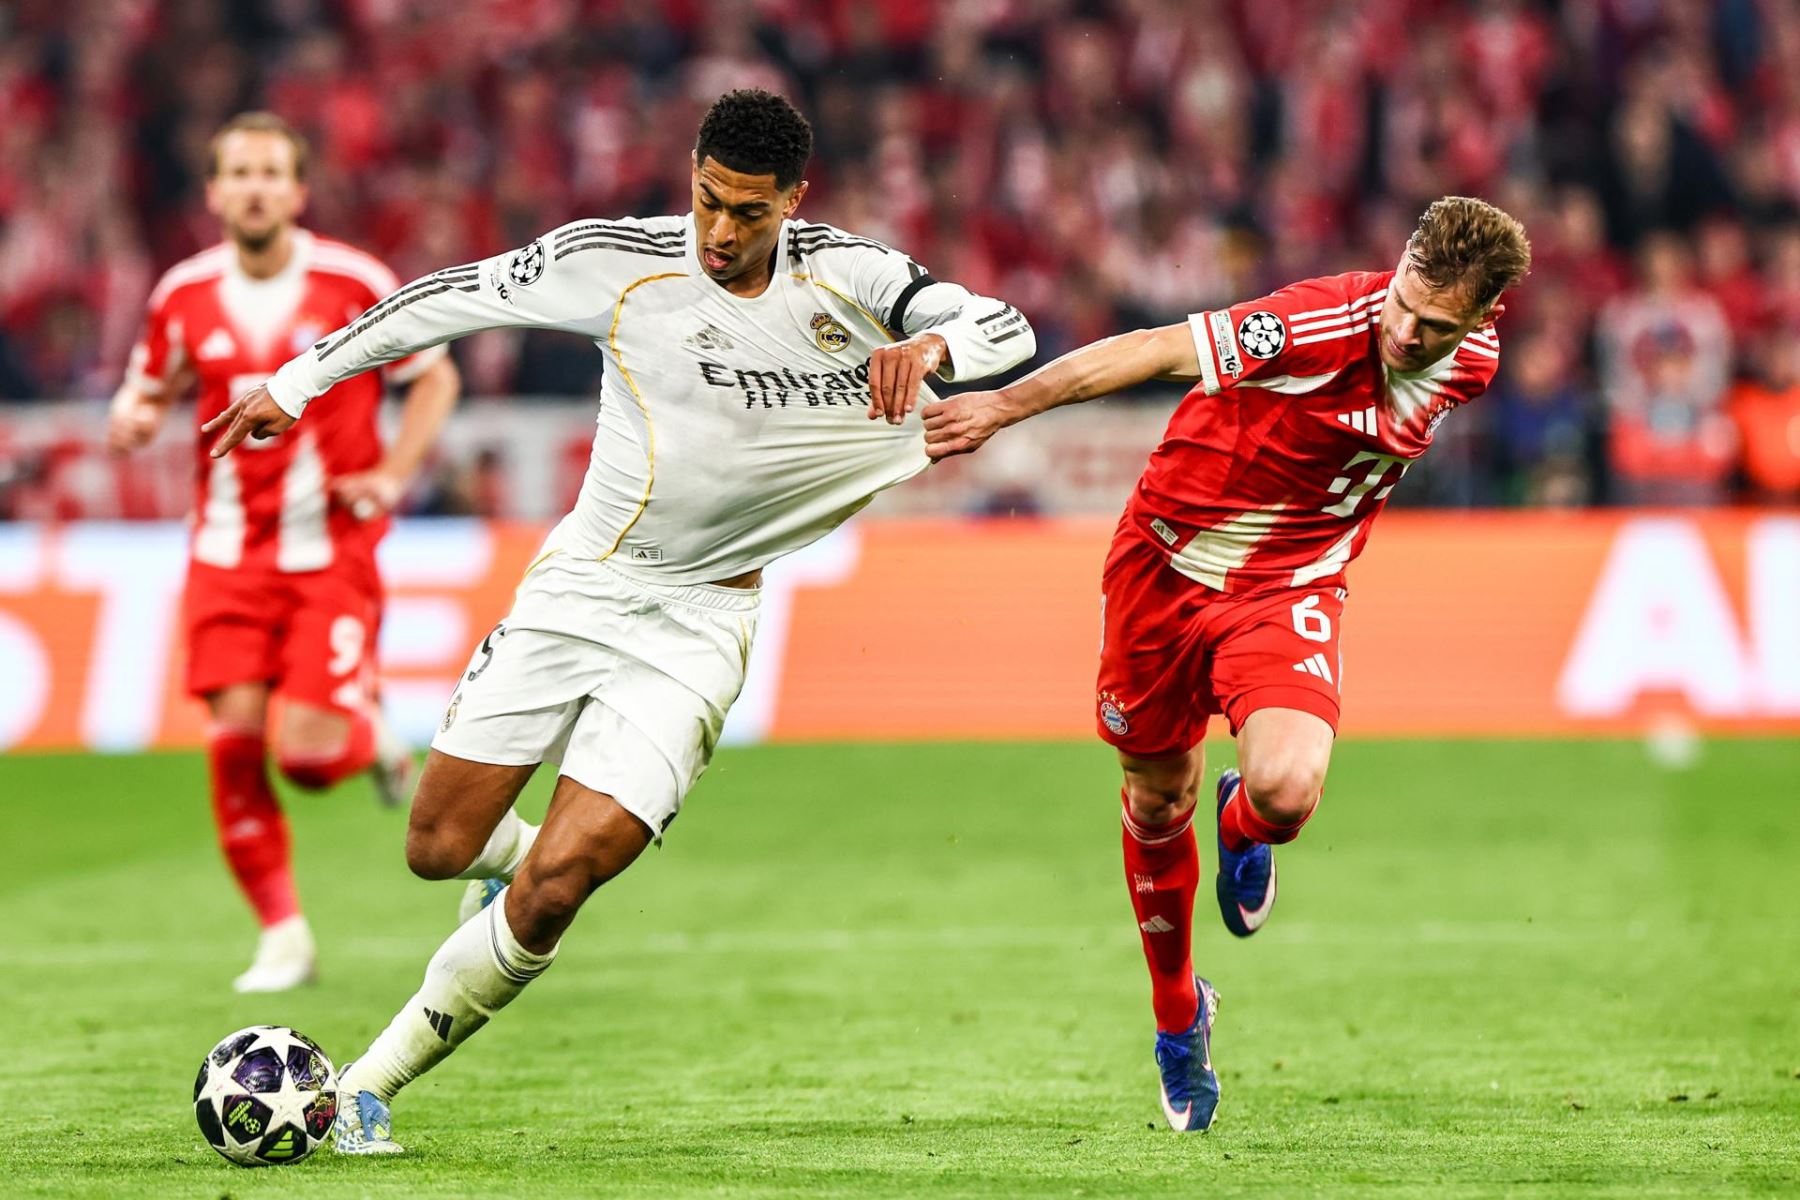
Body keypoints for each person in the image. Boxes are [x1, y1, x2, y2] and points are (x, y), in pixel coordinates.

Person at [204, 89, 1035, 1152]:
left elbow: (1004, 324)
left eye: (749, 211)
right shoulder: (619, 260)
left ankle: (367, 1086)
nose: (721, 230)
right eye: (707, 200)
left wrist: (936, 350)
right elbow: (450, 299)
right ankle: (510, 862)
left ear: (794, 200)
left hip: (702, 626)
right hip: (583, 587)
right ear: (691, 173)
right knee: (437, 846)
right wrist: (299, 381)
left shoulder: (851, 276)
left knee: (559, 886)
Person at [921, 196, 1530, 1131]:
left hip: (1288, 587)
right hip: (1162, 568)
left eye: (1437, 326)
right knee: (1156, 797)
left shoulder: (1474, 366)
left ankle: (1243, 824)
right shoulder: (1313, 323)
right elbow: (1150, 350)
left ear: (1485, 319)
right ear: (1399, 265)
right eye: (1405, 303)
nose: (1408, 333)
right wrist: (1004, 406)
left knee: (1286, 790)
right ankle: (1179, 1015)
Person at [108, 112, 462, 993]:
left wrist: (392, 473)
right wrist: (133, 417)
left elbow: (435, 377)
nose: (256, 187)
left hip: (329, 552)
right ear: (214, 191)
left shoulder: (354, 282)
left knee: (304, 759)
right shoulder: (183, 293)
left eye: (272, 172)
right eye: (240, 172)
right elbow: (145, 388)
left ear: (299, 191)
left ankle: (371, 738)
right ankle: (283, 935)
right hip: (226, 555)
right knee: (233, 742)